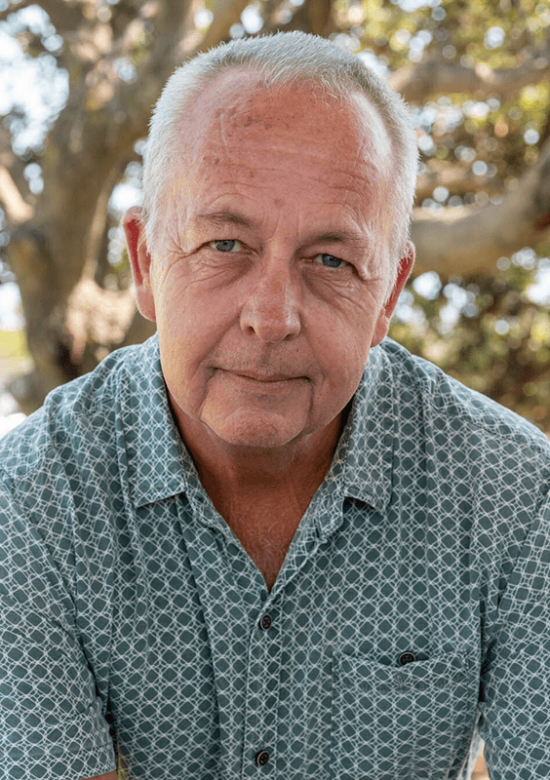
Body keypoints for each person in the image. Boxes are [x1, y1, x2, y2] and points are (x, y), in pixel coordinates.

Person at [1, 31, 549, 780]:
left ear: (388, 292)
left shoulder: (515, 493)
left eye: (330, 260)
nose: (271, 316)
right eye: (225, 245)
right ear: (145, 261)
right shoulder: (29, 500)